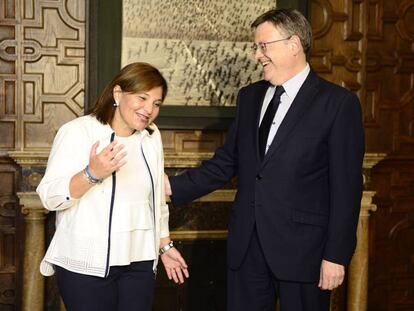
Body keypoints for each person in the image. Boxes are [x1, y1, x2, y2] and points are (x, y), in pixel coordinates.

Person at [165, 8, 364, 311]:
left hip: (305, 254)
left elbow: (346, 189)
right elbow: (226, 163)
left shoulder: (338, 104)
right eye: (255, 47)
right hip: (248, 249)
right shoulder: (250, 97)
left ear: (293, 44)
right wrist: (169, 187)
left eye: (263, 46)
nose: (257, 55)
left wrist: (335, 255)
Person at [37, 62, 189, 311]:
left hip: (140, 261)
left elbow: (156, 200)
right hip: (86, 264)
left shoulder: (151, 137)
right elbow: (49, 197)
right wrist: (91, 173)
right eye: (142, 98)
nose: (149, 109)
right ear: (118, 94)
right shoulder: (77, 132)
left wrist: (165, 245)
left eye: (156, 103)